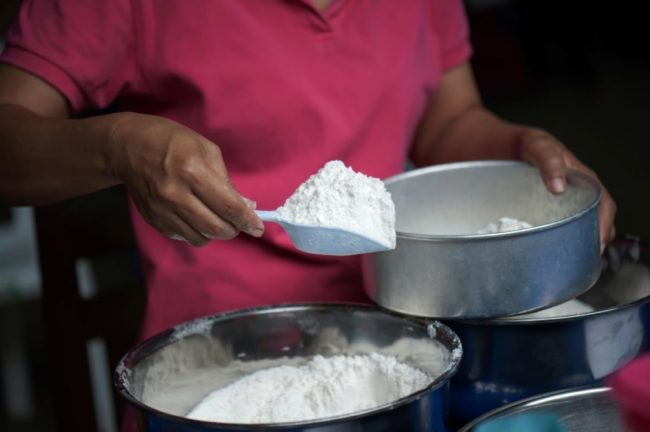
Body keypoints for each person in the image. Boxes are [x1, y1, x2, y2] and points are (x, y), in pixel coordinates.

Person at [0, 1, 615, 341]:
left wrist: (524, 150)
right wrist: (116, 144)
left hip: (400, 329)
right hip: (222, 358)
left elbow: (447, 123)